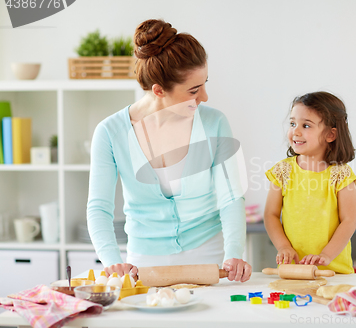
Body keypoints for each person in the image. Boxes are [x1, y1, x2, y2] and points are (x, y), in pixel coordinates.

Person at [87, 19, 251, 282]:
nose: (205, 97)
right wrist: (112, 261)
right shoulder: (109, 133)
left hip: (209, 257)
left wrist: (233, 253)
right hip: (143, 263)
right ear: (159, 90)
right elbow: (99, 207)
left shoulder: (214, 123)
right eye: (194, 90)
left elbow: (231, 197)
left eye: (205, 83)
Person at [264, 91, 356, 274]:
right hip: (294, 271)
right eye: (292, 123)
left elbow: (349, 221)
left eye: (306, 125)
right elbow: (271, 214)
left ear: (330, 135)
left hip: (333, 272)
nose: (295, 131)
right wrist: (284, 247)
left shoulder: (341, 174)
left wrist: (326, 255)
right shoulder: (282, 171)